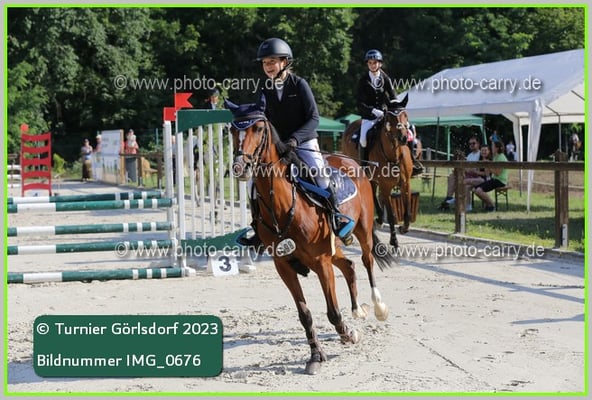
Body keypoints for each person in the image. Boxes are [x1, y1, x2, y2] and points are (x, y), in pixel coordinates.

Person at [237, 37, 354, 250]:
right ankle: (257, 228)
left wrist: (295, 139)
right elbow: (261, 117)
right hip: (278, 146)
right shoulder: (264, 88)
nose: (268, 66)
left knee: (319, 173)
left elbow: (314, 118)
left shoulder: (299, 85)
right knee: (254, 183)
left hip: (304, 141)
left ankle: (337, 217)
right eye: (265, 63)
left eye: (272, 62)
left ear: (285, 62)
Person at [356, 49, 422, 175]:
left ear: (380, 64)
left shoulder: (385, 78)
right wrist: (373, 111)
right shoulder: (363, 80)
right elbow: (360, 103)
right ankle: (364, 168)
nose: (372, 65)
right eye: (370, 63)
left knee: (407, 131)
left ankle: (413, 162)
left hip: (386, 114)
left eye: (375, 62)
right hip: (369, 116)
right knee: (363, 138)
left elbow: (393, 96)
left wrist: (397, 110)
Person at [440, 135, 482, 209]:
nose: (471, 145)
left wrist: (467, 170)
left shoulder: (480, 154)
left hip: (477, 177)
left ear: (478, 144)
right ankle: (449, 198)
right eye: (470, 144)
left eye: (473, 143)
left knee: (460, 180)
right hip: (468, 175)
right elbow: (466, 167)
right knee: (452, 176)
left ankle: (452, 201)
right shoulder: (470, 155)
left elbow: (478, 169)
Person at [473, 141, 508, 212]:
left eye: (492, 146)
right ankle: (488, 205)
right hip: (495, 179)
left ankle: (492, 205)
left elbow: (497, 173)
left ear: (497, 148)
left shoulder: (501, 157)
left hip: (500, 181)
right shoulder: (496, 156)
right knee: (475, 190)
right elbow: (489, 172)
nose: (491, 148)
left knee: (478, 190)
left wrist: (487, 165)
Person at [463, 144, 491, 211]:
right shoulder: (480, 159)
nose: (483, 152)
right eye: (482, 150)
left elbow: (486, 174)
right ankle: (468, 206)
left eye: (485, 150)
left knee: (465, 181)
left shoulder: (488, 161)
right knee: (466, 187)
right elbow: (478, 171)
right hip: (478, 179)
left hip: (486, 180)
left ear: (489, 151)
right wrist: (472, 171)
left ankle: (456, 199)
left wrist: (475, 171)